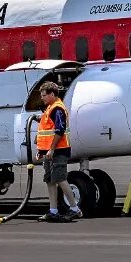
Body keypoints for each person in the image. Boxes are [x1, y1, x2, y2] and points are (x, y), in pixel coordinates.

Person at [35, 82, 82, 222]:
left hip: (58, 151)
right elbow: (46, 132)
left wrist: (52, 149)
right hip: (48, 152)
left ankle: (75, 209)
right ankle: (53, 210)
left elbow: (59, 130)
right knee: (50, 180)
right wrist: (41, 150)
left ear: (52, 94)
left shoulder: (57, 109)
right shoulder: (50, 108)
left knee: (60, 179)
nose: (42, 98)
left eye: (44, 95)